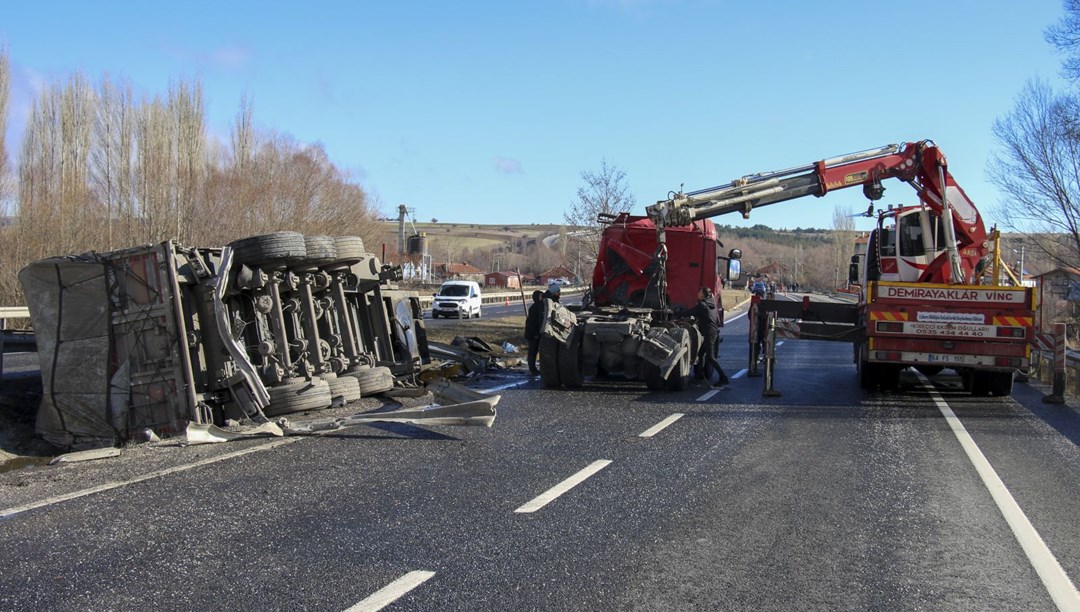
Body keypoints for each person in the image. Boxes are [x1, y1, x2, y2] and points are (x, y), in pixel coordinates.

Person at [686, 286, 729, 386]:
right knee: (700, 355)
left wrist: (676, 313)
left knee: (710, 357)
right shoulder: (711, 303)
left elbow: (689, 312)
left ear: (704, 294)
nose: (698, 294)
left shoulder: (702, 305)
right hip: (712, 332)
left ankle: (723, 377)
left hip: (709, 333)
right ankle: (698, 377)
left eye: (699, 292)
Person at [525, 290, 545, 375]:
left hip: (535, 333)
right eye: (541, 296)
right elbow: (532, 323)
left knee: (535, 351)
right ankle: (532, 369)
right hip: (532, 334)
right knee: (532, 352)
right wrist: (535, 334)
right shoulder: (534, 308)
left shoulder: (539, 306)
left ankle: (534, 368)